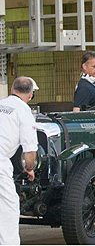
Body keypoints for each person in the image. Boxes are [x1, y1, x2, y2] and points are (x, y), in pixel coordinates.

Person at [0, 76, 38, 244]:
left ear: (12, 90)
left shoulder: (1, 104)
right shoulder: (24, 111)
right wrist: (29, 169)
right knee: (9, 206)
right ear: (30, 95)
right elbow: (30, 150)